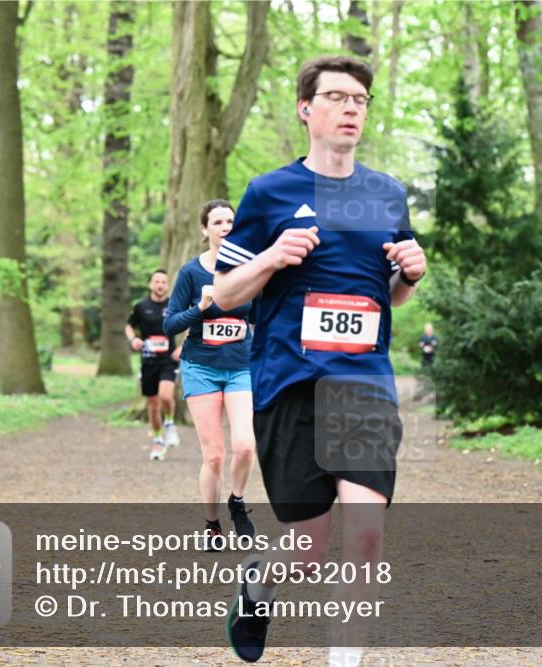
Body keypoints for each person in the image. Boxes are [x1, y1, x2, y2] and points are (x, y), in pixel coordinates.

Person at [212, 56, 426, 665]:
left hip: (363, 384)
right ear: (306, 109)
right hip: (290, 383)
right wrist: (271, 256)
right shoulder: (269, 192)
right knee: (307, 550)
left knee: (366, 535)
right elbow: (224, 294)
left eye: (360, 99)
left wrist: (410, 275)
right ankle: (258, 585)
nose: (350, 108)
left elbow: (386, 297)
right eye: (336, 97)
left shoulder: (386, 194)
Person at [163, 199, 257, 546]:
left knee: (245, 445)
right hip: (201, 367)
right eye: (217, 222)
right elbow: (170, 324)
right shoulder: (191, 272)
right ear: (205, 229)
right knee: (214, 455)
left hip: (241, 366)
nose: (226, 227)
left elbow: (260, 316)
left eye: (230, 221)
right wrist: (200, 308)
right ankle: (212, 524)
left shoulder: (249, 269)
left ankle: (238, 501)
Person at [126, 270, 181, 461]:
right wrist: (133, 339)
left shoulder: (175, 305)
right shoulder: (141, 306)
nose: (160, 285)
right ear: (151, 284)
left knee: (166, 396)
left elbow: (191, 324)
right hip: (148, 361)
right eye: (157, 281)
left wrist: (183, 347)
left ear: (167, 285)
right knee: (153, 404)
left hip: (168, 359)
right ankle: (158, 441)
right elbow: (129, 326)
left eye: (163, 282)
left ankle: (170, 424)